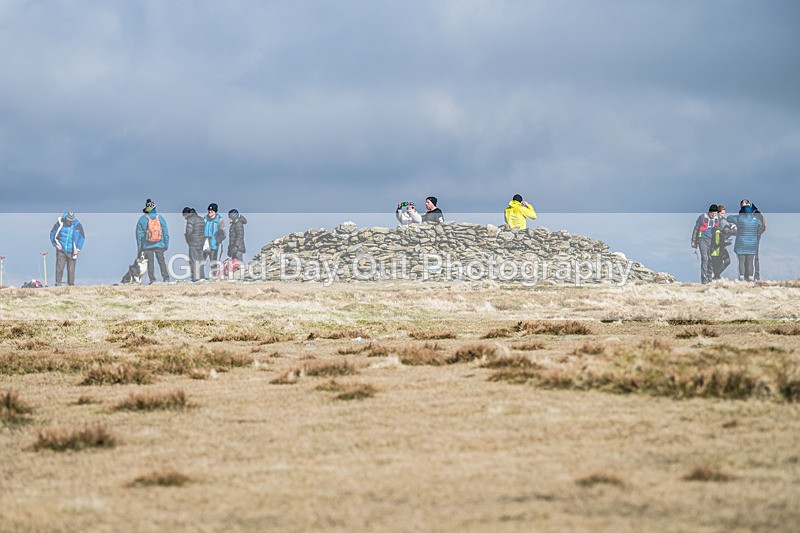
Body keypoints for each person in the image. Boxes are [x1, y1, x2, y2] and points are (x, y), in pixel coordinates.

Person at [136, 198, 170, 284]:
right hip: (160, 244)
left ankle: (152, 279)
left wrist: (140, 247)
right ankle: (166, 278)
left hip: (147, 245)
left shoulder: (142, 219)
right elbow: (165, 232)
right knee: (161, 262)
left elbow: (138, 235)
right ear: (155, 208)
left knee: (150, 263)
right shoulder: (160, 218)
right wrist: (166, 244)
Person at [727, 204, 763, 281]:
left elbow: (728, 218)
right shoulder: (756, 219)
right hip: (752, 244)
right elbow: (760, 225)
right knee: (750, 261)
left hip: (741, 243)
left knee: (741, 261)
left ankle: (741, 277)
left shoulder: (740, 218)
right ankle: (750, 277)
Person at [49, 211, 85, 286]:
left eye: (71, 221)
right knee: (60, 268)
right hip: (61, 250)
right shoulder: (59, 224)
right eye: (68, 221)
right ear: (66, 219)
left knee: (71, 269)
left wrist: (78, 249)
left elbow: (82, 237)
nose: (69, 223)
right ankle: (58, 283)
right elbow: (52, 233)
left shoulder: (78, 225)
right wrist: (55, 244)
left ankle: (71, 285)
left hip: (72, 251)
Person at [690, 205, 720, 284]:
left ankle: (709, 278)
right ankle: (704, 280)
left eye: (715, 214)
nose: (714, 215)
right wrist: (693, 241)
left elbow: (721, 228)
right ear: (710, 212)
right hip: (702, 239)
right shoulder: (702, 217)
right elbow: (696, 229)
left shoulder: (717, 218)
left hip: (712, 240)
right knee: (705, 258)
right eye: (713, 213)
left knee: (711, 259)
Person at [740, 199, 766, 280]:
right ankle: (747, 276)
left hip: (754, 238)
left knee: (755, 257)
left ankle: (756, 276)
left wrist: (756, 235)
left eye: (743, 206)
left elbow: (762, 227)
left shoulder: (756, 213)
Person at [182, 207, 205, 281]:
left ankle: (195, 277)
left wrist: (187, 239)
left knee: (193, 260)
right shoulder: (201, 219)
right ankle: (201, 276)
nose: (184, 218)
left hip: (193, 243)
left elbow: (189, 232)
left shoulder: (190, 220)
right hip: (201, 243)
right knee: (200, 260)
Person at [711, 204, 733, 279]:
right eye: (721, 213)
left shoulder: (723, 220)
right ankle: (716, 276)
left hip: (722, 244)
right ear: (717, 212)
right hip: (716, 245)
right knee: (717, 262)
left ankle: (716, 276)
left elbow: (727, 226)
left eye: (724, 213)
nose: (723, 215)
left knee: (727, 261)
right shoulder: (714, 221)